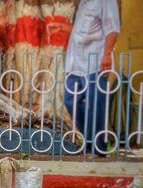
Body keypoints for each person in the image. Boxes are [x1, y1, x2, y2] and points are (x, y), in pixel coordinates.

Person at [48, 0, 120, 157]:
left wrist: (107, 55)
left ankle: (98, 149)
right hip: (76, 63)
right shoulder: (83, 2)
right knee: (69, 100)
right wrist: (62, 27)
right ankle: (89, 140)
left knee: (96, 105)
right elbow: (81, 30)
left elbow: (112, 30)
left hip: (96, 62)